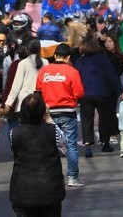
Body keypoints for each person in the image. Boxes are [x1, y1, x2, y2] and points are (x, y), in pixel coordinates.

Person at [9, 92, 67, 217]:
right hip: (50, 189)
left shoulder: (14, 132)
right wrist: (48, 118)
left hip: (22, 191)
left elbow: (15, 149)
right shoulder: (52, 130)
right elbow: (64, 142)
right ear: (42, 111)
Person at [36, 43, 86, 188]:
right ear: (69, 56)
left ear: (55, 55)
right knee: (70, 145)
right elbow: (79, 93)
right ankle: (72, 177)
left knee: (48, 146)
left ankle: (50, 177)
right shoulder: (72, 71)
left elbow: (38, 91)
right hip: (67, 112)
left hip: (47, 113)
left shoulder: (44, 71)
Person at [74, 33, 123, 156]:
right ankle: (105, 143)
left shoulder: (80, 60)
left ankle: (87, 146)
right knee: (104, 118)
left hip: (85, 94)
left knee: (86, 119)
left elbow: (76, 77)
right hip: (102, 93)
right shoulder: (103, 59)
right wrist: (120, 90)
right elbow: (112, 76)